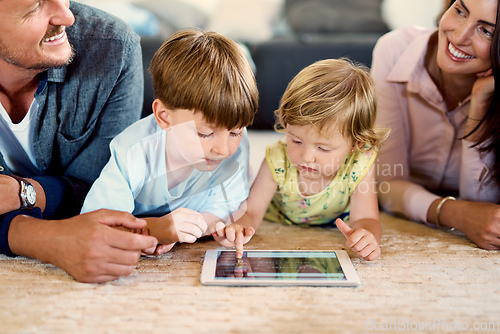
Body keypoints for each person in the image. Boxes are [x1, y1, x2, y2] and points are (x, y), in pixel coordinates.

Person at [0, 0, 158, 283]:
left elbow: (100, 193)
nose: (67, 16)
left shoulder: (113, 48)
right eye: (36, 6)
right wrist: (43, 239)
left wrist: (19, 194)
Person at [81, 29, 259, 254]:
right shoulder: (134, 153)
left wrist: (192, 229)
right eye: (205, 134)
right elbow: (94, 226)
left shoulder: (237, 148)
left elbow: (226, 207)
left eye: (235, 132)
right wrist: (154, 229)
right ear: (164, 117)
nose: (223, 150)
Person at [212, 59, 388, 261]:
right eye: (296, 141)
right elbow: (251, 211)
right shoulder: (278, 158)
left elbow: (366, 218)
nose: (306, 157)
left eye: (323, 148)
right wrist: (238, 228)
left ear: (355, 144)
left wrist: (368, 237)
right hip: (280, 219)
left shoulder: (360, 162)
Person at [372, 0, 500, 250]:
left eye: (486, 31)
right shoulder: (395, 50)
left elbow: (485, 212)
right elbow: (386, 183)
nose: (459, 36)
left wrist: (480, 104)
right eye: (460, 11)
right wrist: (455, 213)